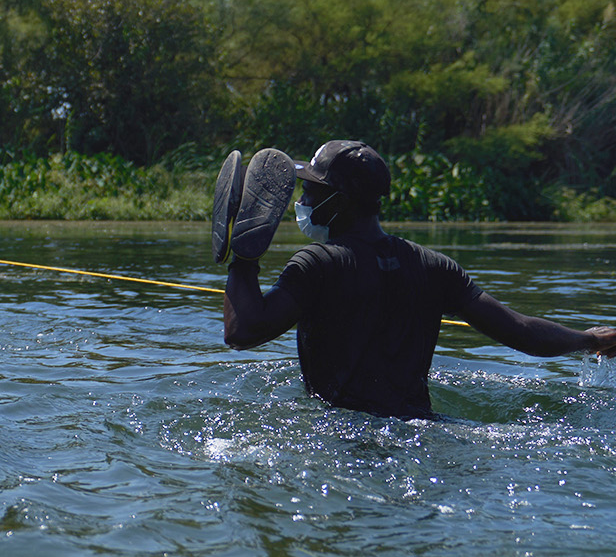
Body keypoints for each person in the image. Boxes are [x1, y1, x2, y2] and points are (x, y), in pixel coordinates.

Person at [223, 139, 616, 418]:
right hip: (420, 429)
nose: (303, 201)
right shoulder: (434, 266)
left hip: (338, 435)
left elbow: (243, 330)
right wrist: (590, 340)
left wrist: (243, 259)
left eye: (310, 191)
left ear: (339, 202)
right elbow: (521, 331)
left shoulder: (317, 263)